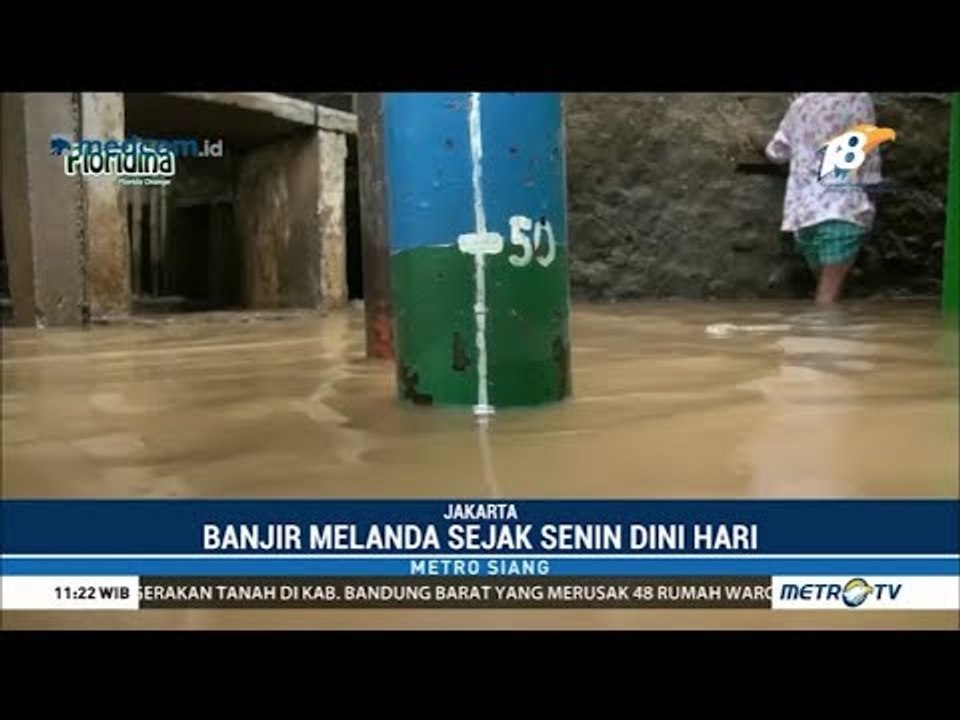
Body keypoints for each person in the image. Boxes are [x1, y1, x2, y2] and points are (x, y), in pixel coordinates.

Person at [765, 93, 891, 306]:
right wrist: (872, 195)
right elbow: (868, 150)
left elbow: (776, 152)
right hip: (843, 208)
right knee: (827, 299)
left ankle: (826, 326)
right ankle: (828, 326)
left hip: (804, 216)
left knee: (826, 293)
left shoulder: (800, 104)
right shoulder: (858, 98)